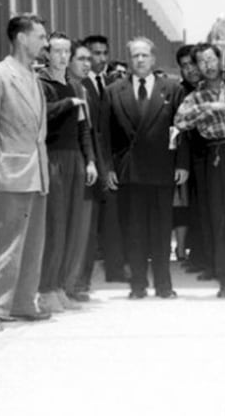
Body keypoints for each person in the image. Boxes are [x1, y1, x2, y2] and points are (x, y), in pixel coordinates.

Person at [0, 15, 51, 324]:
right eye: (40, 36)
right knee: (5, 243)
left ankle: (22, 302)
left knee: (32, 244)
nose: (44, 43)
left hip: (35, 173)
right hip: (9, 174)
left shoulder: (32, 76)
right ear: (21, 38)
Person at [103, 37, 189, 299]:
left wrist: (182, 163)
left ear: (153, 59)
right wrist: (108, 168)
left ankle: (164, 285)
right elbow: (104, 134)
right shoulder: (113, 91)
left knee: (162, 231)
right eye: (135, 56)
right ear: (129, 60)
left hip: (162, 169)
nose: (140, 60)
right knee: (134, 230)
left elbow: (181, 130)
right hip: (129, 171)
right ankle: (138, 284)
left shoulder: (172, 90)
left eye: (144, 55)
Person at [174, 43, 225, 297]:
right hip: (216, 155)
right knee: (219, 220)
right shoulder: (195, 96)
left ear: (220, 60)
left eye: (211, 59)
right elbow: (179, 121)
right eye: (201, 62)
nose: (207, 65)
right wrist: (206, 109)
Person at [37, 32, 98, 313]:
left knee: (72, 225)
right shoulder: (41, 83)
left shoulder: (76, 86)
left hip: (74, 157)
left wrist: (90, 161)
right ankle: (46, 288)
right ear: (47, 53)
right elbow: (41, 115)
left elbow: (84, 128)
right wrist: (67, 104)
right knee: (55, 225)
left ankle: (60, 285)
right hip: (53, 157)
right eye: (57, 51)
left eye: (66, 52)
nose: (62, 56)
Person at [82, 34, 128, 284]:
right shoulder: (79, 84)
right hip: (88, 160)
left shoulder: (112, 84)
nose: (99, 59)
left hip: (110, 161)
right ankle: (82, 276)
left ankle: (116, 270)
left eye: (103, 53)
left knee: (113, 218)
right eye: (94, 54)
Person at [64, 40, 101, 301]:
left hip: (86, 163)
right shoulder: (62, 87)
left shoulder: (86, 88)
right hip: (65, 162)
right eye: (81, 59)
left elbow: (88, 130)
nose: (87, 63)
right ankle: (69, 283)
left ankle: (79, 282)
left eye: (89, 59)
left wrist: (92, 160)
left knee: (86, 228)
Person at [175, 44, 214, 280]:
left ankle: (208, 257)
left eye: (192, 64)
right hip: (190, 159)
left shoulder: (210, 89)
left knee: (210, 209)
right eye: (184, 66)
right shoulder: (180, 91)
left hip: (212, 155)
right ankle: (198, 254)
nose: (189, 70)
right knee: (195, 210)